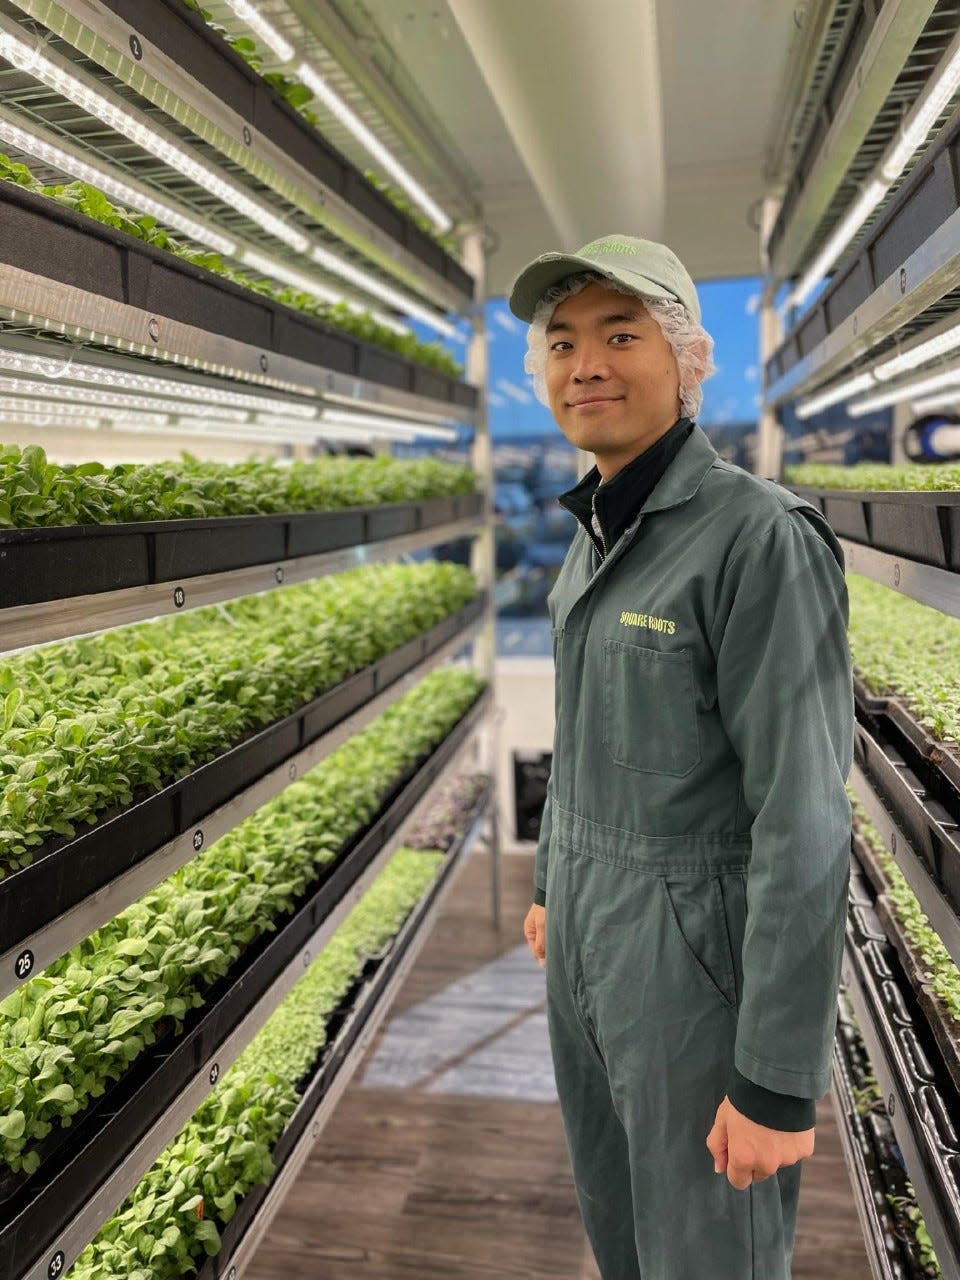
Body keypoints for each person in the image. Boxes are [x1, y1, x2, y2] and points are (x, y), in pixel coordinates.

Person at [511, 234, 854, 1279]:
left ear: (691, 359)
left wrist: (776, 1078)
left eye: (623, 334)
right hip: (585, 931)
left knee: (709, 1254)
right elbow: (586, 737)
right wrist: (549, 881)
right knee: (619, 1225)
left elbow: (803, 813)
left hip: (691, 963)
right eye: (562, 343)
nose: (587, 365)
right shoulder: (600, 528)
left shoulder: (759, 537)